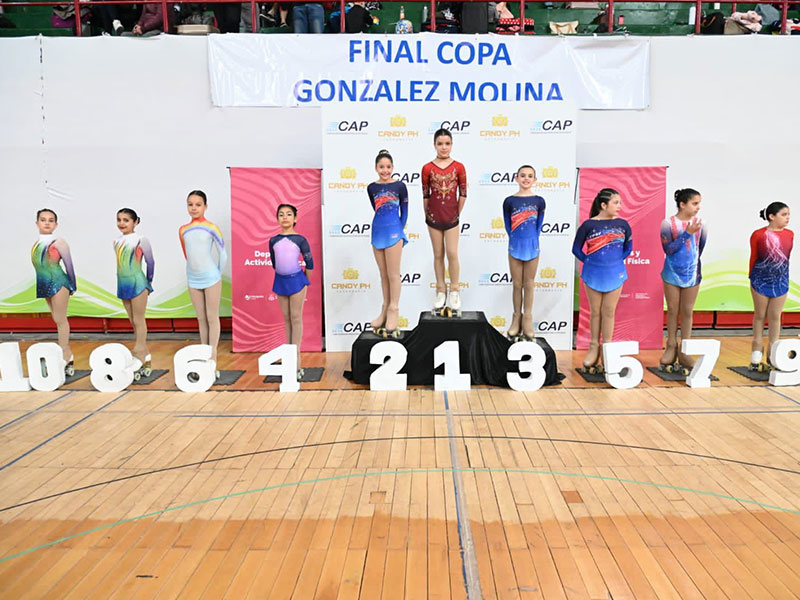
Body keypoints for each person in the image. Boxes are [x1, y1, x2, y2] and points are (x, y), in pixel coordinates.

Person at [572, 188, 633, 373]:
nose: (620, 206)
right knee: (595, 312)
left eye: (620, 202)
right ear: (604, 205)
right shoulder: (588, 225)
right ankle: (593, 347)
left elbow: (628, 247)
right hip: (593, 273)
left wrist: (616, 262)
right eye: (616, 203)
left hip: (615, 273)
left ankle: (607, 349)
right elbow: (576, 249)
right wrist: (589, 262)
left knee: (609, 311)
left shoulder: (623, 224)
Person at [179, 190, 227, 378]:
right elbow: (187, 255)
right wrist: (194, 272)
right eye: (190, 204)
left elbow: (223, 253)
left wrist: (217, 274)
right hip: (193, 278)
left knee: (212, 317)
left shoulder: (211, 227)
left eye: (198, 204)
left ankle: (212, 358)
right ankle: (203, 355)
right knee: (201, 318)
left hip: (211, 278)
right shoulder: (183, 229)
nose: (194, 208)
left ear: (205, 206)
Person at [659, 188, 707, 373]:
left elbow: (700, 247)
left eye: (698, 203)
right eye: (694, 203)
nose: (698, 207)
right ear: (682, 204)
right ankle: (671, 345)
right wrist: (686, 233)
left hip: (692, 273)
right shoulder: (667, 224)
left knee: (687, 310)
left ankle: (685, 349)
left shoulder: (701, 224)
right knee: (673, 310)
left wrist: (692, 265)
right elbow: (668, 250)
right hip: (671, 273)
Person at [421, 128, 467, 316]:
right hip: (433, 216)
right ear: (434, 145)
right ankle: (441, 290)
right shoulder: (427, 168)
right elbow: (425, 194)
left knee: (452, 253)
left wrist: (456, 213)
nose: (443, 147)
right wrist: (428, 214)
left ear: (452, 144)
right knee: (438, 254)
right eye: (440, 144)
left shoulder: (459, 167)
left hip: (451, 217)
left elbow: (463, 193)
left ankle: (454, 289)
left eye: (447, 143)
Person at [269, 204, 313, 380]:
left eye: (288, 214)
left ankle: (296, 359)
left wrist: (305, 281)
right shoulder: (273, 240)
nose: (285, 217)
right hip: (281, 281)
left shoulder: (300, 239)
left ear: (295, 218)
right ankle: (288, 354)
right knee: (286, 319)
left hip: (297, 281)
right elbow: (274, 263)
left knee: (295, 317)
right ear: (277, 219)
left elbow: (310, 263)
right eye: (281, 214)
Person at [367, 149, 408, 338]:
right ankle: (384, 309)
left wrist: (399, 230)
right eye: (381, 167)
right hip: (378, 231)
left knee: (393, 274)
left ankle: (394, 309)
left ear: (393, 167)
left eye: (388, 167)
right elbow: (376, 208)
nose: (385, 170)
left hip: (394, 232)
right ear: (376, 168)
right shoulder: (371, 188)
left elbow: (404, 210)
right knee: (383, 275)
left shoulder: (400, 186)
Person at [31, 208, 77, 376]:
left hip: (59, 283)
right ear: (37, 223)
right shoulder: (36, 245)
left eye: (51, 220)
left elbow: (69, 266)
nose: (47, 223)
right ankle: (65, 355)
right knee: (56, 319)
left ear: (56, 225)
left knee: (60, 319)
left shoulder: (59, 243)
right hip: (44, 283)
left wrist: (72, 286)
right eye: (43, 220)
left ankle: (66, 354)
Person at [502, 165, 545, 341]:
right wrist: (515, 240)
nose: (526, 178)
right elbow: (507, 224)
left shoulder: (539, 201)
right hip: (515, 245)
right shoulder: (509, 201)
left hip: (532, 246)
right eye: (523, 175)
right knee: (517, 284)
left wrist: (532, 241)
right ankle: (516, 318)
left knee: (529, 283)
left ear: (535, 179)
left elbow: (539, 225)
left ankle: (527, 318)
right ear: (516, 178)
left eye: (530, 176)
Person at [749, 202, 793, 371]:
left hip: (780, 280)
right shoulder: (759, 234)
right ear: (772, 216)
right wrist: (752, 277)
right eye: (784, 214)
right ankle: (756, 349)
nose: (787, 218)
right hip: (760, 279)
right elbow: (754, 256)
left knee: (775, 316)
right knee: (760, 314)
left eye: (788, 214)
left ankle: (773, 353)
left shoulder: (790, 234)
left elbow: (785, 258)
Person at [115, 208, 155, 379]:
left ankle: (138, 352)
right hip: (123, 283)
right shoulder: (116, 241)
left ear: (135, 222)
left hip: (138, 282)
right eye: (119, 220)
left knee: (139, 319)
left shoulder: (141, 239)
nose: (122, 223)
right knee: (132, 320)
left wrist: (148, 282)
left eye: (126, 220)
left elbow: (150, 262)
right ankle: (145, 355)